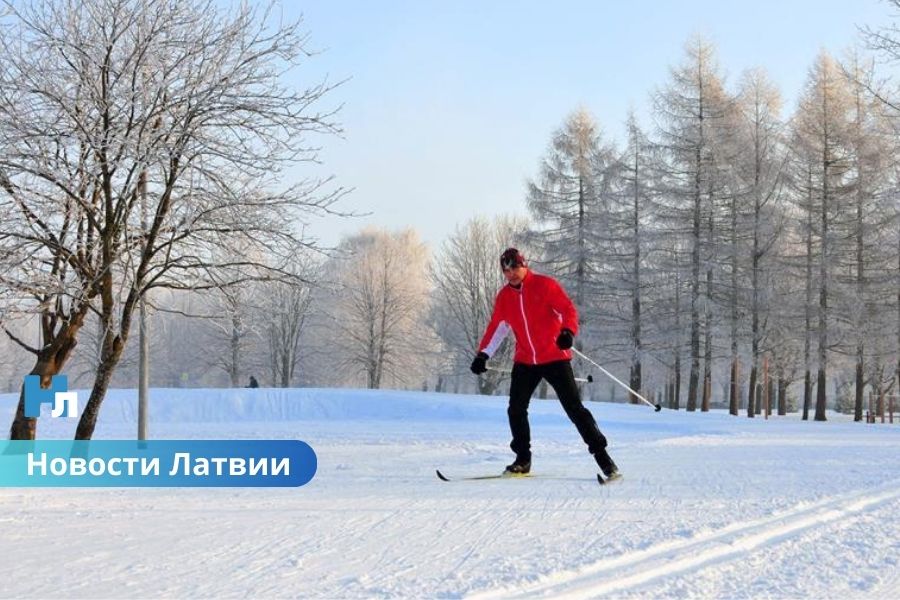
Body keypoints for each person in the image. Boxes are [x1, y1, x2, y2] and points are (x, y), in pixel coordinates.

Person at [470, 247, 620, 480]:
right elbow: (497, 328)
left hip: (554, 357)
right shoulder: (504, 298)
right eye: (506, 270)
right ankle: (522, 460)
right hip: (525, 360)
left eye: (515, 267)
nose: (511, 273)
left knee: (574, 409)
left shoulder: (544, 285)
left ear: (524, 265)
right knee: (516, 409)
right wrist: (483, 355)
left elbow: (568, 310)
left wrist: (568, 332)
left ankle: (604, 460)